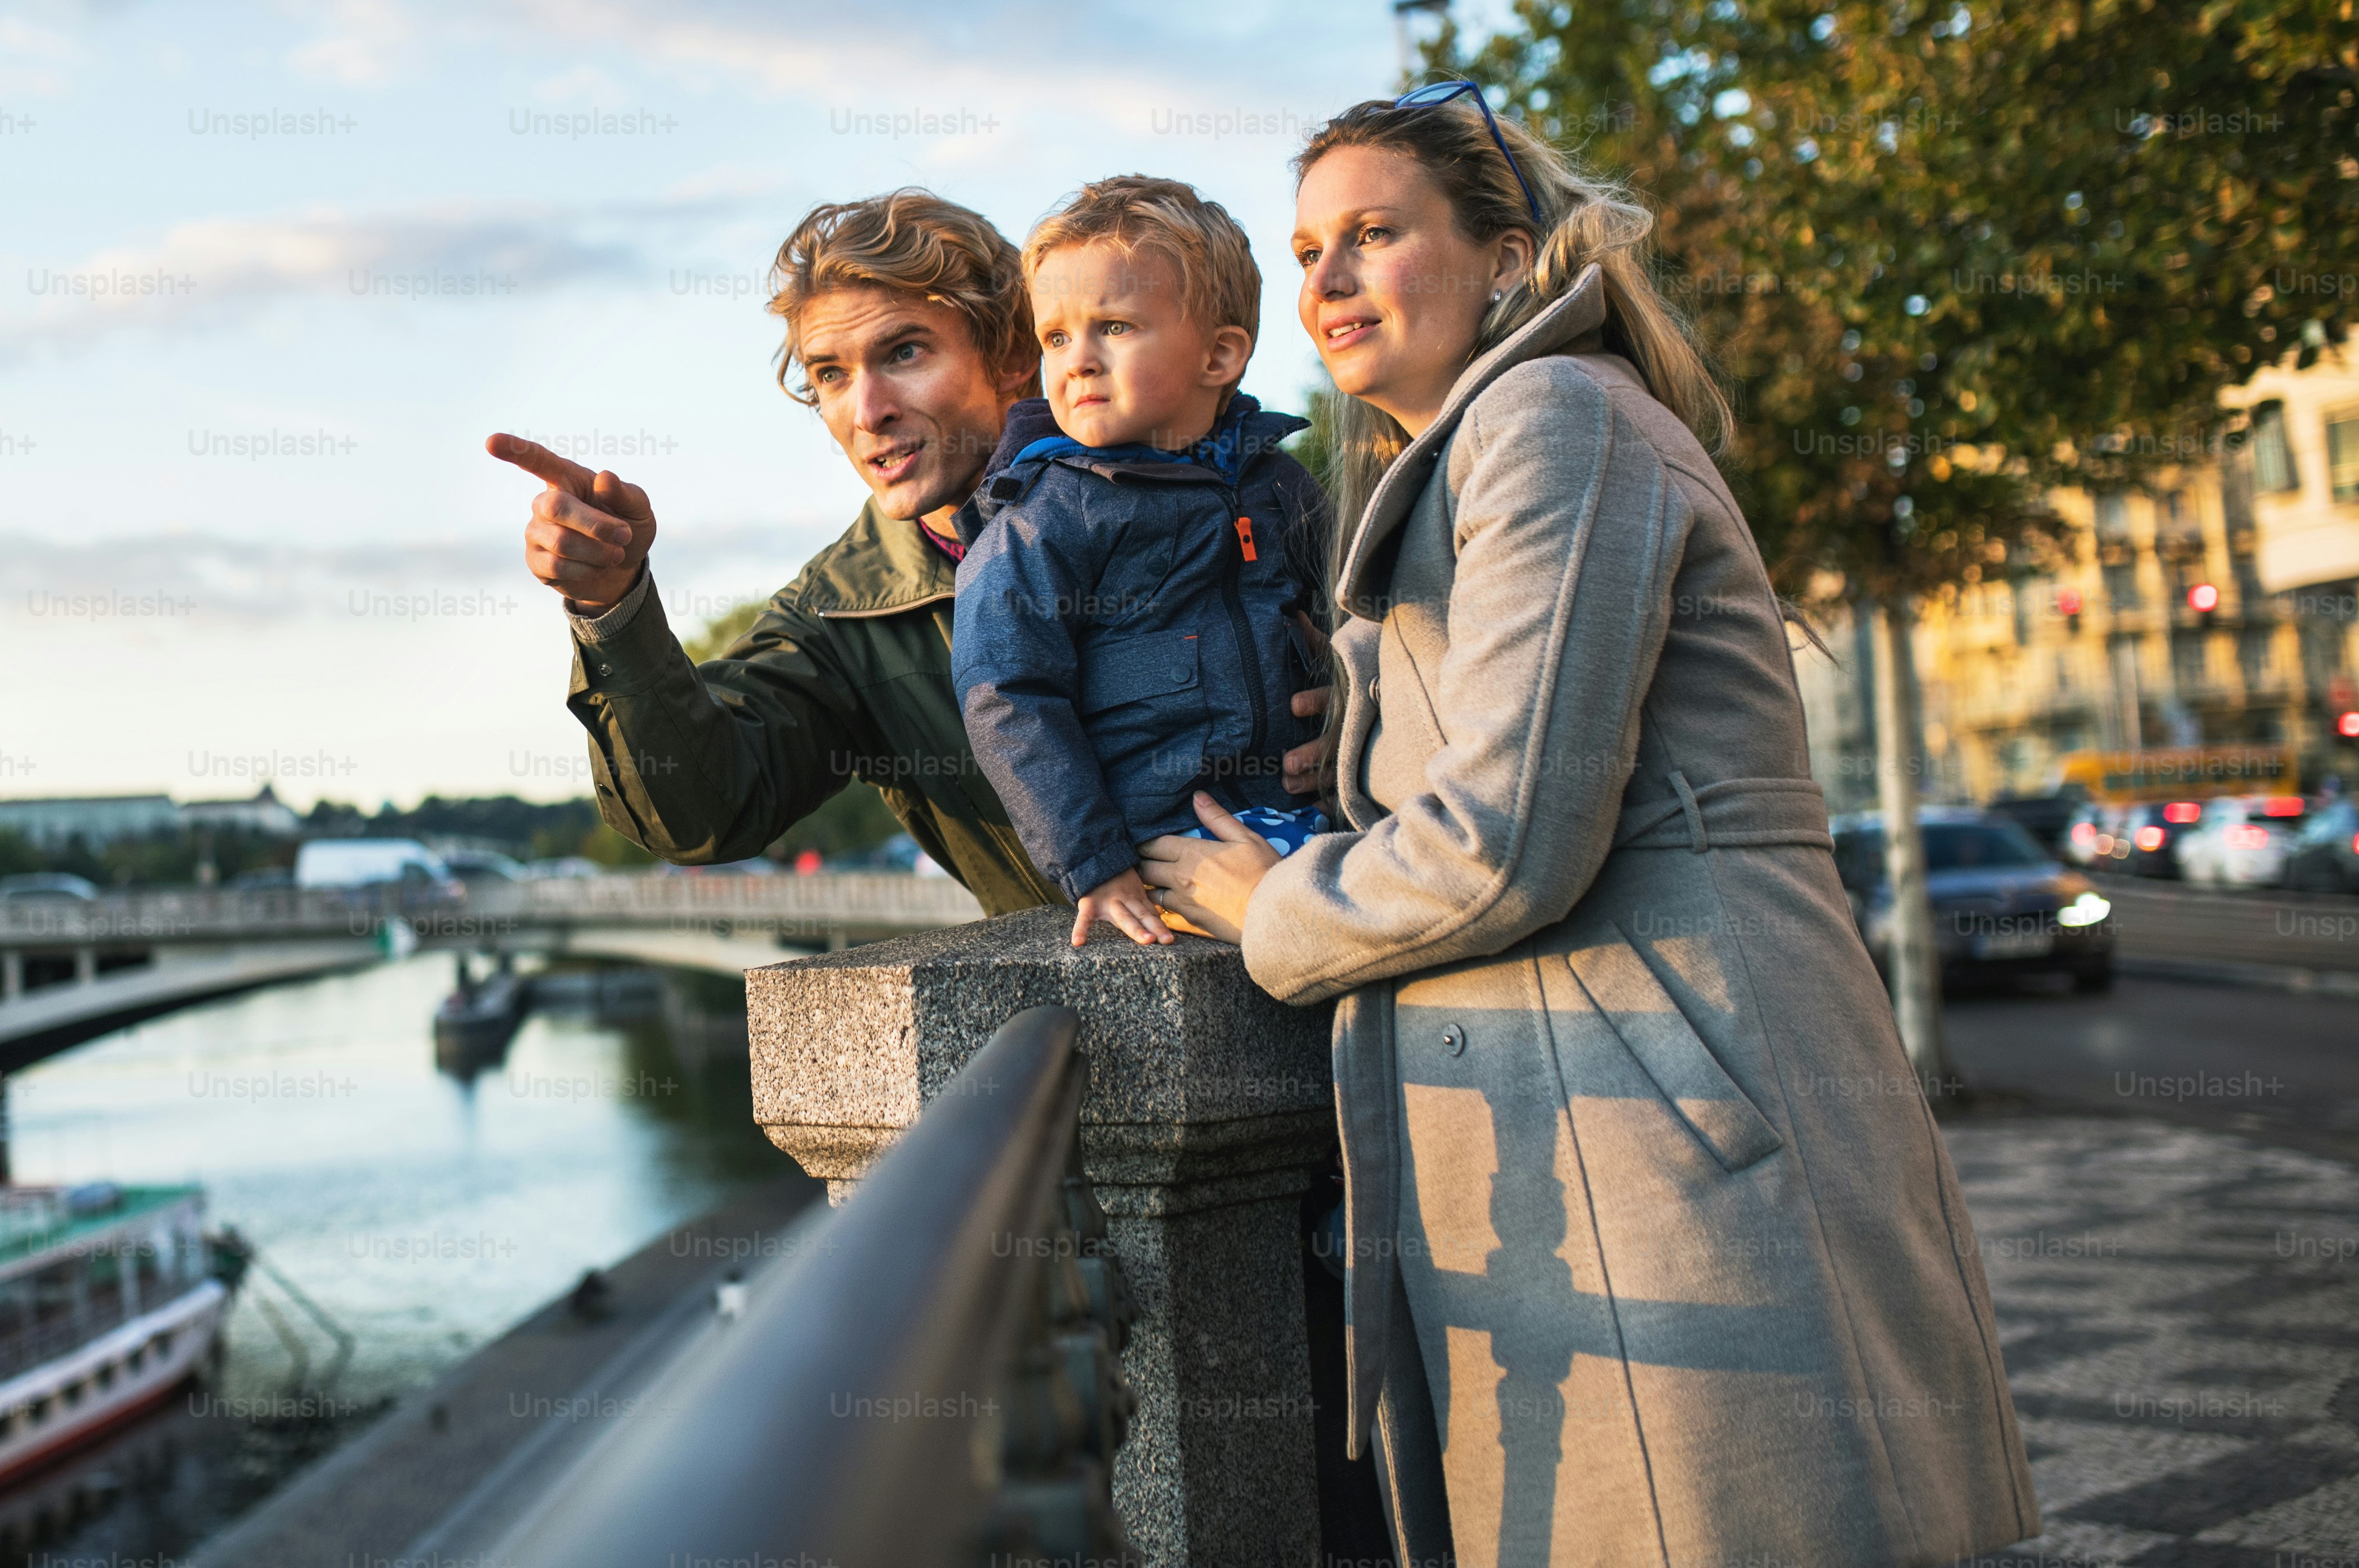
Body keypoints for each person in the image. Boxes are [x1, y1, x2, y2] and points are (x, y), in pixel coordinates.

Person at [1139, 85, 2038, 1567]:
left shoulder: (1550, 415)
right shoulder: (1481, 453)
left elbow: (1505, 835)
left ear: (1505, 257)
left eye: (1375, 233)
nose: (1327, 281)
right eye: (1307, 252)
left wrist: (1272, 907)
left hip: (1672, 1120)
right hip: (1612, 1115)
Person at [488, 188, 1333, 912]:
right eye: (828, 374)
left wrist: (1369, 730)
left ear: (1009, 355)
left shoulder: (1257, 479)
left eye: (904, 353)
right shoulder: (846, 616)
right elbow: (700, 810)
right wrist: (614, 608)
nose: (868, 410)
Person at [952, 175, 1331, 948]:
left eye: (1115, 328)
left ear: (1220, 355)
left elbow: (1367, 625)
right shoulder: (1046, 515)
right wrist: (1095, 863)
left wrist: (1354, 722)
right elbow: (1007, 693)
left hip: (1311, 824)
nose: (1076, 361)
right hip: (1162, 853)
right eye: (1056, 337)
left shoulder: (1281, 486)